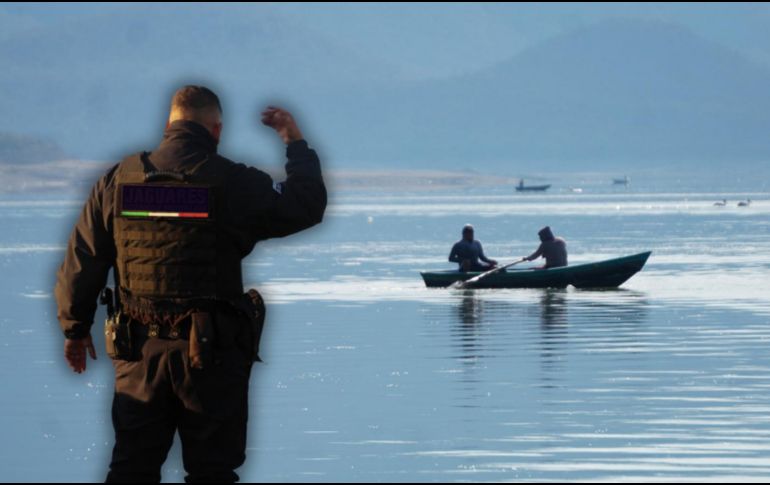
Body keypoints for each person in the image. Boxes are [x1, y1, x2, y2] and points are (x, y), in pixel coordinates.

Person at [54, 85, 327, 483]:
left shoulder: (118, 181)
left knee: (131, 469)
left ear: (168, 125)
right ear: (216, 130)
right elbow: (306, 204)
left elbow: (83, 259)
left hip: (137, 356)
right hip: (210, 357)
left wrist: (74, 329)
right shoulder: (233, 183)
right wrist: (294, 141)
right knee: (212, 472)